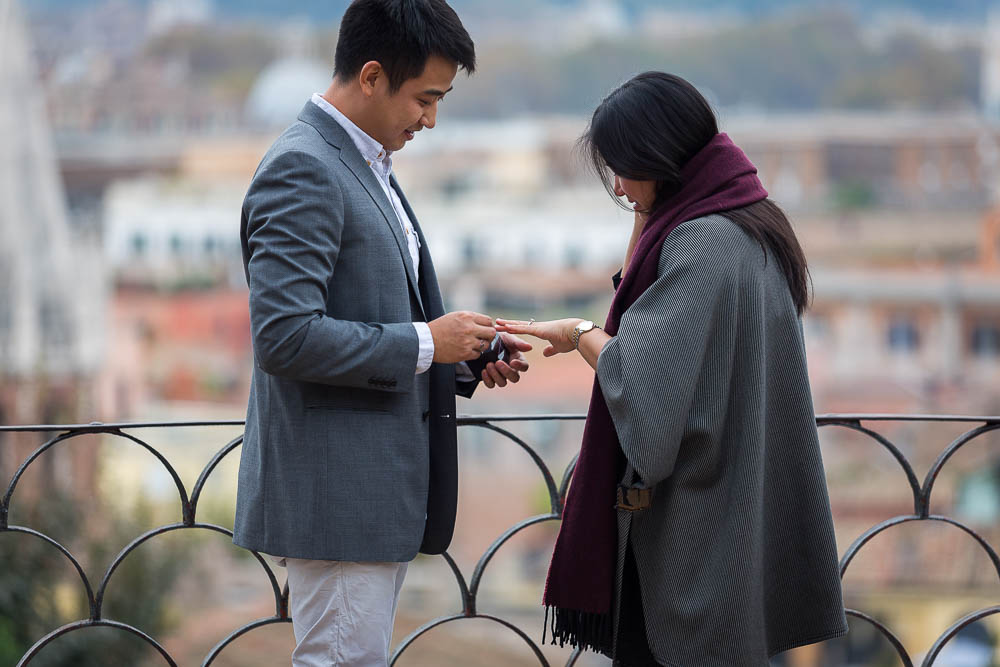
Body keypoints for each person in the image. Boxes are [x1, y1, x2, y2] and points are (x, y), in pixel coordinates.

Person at [497, 72, 848, 666]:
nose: (618, 186)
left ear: (656, 158)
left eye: (622, 169)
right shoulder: (749, 221)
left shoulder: (698, 243)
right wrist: (647, 211)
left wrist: (580, 334)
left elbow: (646, 404)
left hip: (692, 542)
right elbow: (656, 325)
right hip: (741, 525)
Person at [233, 2, 530, 665]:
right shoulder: (305, 166)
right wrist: (429, 341)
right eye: (425, 98)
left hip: (368, 495)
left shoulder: (362, 162)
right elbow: (283, 337)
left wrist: (461, 358)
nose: (430, 118)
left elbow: (370, 312)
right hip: (339, 496)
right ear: (371, 77)